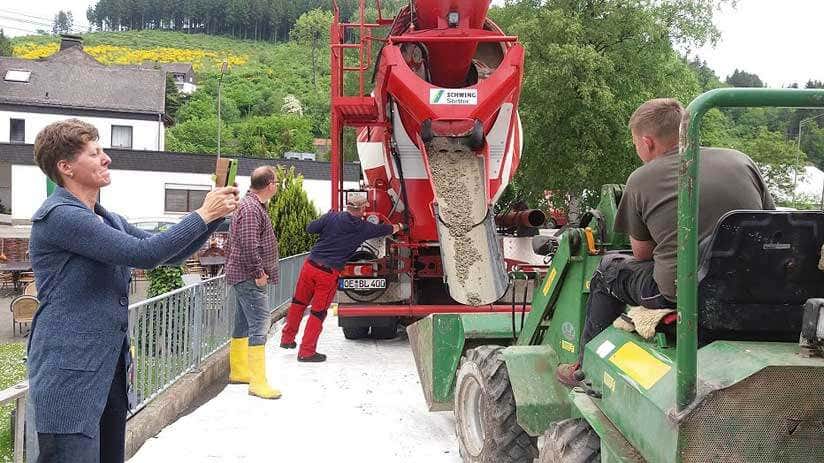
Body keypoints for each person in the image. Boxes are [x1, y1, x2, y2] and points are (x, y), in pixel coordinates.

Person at [27, 119, 238, 462]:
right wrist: (203, 213)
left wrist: (214, 217)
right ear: (66, 167)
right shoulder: (60, 217)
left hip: (105, 374)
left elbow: (166, 254)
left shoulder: (106, 218)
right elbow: (146, 254)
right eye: (95, 154)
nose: (107, 158)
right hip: (69, 377)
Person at [556, 98, 775, 386]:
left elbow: (642, 253)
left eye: (635, 143)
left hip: (685, 292)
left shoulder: (641, 179)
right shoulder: (740, 160)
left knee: (609, 269)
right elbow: (771, 221)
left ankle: (585, 369)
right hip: (753, 285)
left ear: (647, 142)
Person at [280, 196, 404, 362]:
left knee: (298, 303)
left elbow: (310, 228)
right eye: (364, 208)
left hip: (310, 266)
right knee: (317, 312)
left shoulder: (331, 217)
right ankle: (306, 352)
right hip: (327, 273)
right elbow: (387, 230)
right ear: (360, 210)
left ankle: (287, 339)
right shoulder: (364, 228)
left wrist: (325, 218)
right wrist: (402, 225)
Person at [224, 166, 282, 400]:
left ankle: (239, 371)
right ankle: (258, 382)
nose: (277, 186)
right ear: (269, 184)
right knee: (260, 322)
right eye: (276, 182)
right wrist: (259, 273)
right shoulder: (251, 208)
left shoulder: (250, 205)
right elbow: (249, 244)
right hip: (248, 276)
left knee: (243, 322)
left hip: (242, 274)